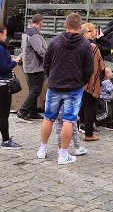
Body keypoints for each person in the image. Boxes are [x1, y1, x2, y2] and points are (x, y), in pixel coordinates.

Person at [37, 13, 93, 165]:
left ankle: (42, 149)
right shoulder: (85, 44)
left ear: (65, 25)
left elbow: (46, 63)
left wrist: (51, 76)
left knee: (48, 117)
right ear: (80, 27)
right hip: (74, 87)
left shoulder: (55, 41)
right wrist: (83, 82)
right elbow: (89, 68)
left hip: (55, 85)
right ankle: (63, 155)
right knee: (69, 119)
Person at [16, 14, 47, 122]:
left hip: (30, 64)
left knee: (34, 89)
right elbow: (40, 50)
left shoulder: (27, 32)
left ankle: (33, 112)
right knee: (35, 90)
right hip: (35, 66)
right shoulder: (34, 33)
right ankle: (23, 111)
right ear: (40, 22)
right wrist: (49, 58)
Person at [78, 22, 106, 142]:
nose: (93, 34)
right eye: (91, 31)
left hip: (75, 81)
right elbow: (100, 66)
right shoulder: (93, 47)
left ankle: (75, 130)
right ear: (85, 33)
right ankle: (89, 134)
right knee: (90, 107)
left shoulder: (74, 45)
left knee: (78, 107)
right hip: (89, 82)